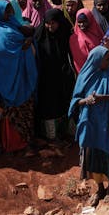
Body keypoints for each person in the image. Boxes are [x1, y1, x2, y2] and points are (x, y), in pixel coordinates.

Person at [69, 46, 109, 207]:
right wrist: (86, 100)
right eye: (106, 59)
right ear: (96, 60)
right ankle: (99, 188)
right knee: (93, 154)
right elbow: (76, 100)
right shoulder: (85, 76)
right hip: (92, 123)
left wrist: (106, 97)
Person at [0, 0, 38, 152]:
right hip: (3, 76)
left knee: (24, 109)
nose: (9, 13)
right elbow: (0, 51)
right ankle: (8, 144)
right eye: (6, 10)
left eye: (10, 10)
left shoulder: (13, 23)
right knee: (7, 112)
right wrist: (20, 48)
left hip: (21, 75)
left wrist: (28, 41)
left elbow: (28, 33)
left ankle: (25, 142)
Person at [34, 9, 75, 140]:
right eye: (47, 23)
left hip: (64, 77)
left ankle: (68, 131)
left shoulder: (66, 34)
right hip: (45, 79)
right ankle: (51, 135)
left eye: (53, 23)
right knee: (49, 105)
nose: (50, 26)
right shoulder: (39, 36)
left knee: (65, 101)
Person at [70, 9, 105, 73]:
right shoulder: (74, 39)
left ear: (90, 20)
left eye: (84, 21)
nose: (82, 24)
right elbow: (78, 61)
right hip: (85, 72)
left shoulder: (97, 33)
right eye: (79, 22)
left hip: (101, 69)